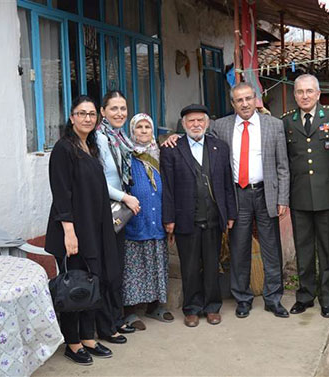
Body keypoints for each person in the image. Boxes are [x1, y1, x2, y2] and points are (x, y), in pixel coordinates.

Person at [163, 83, 290, 319]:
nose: (244, 103)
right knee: (238, 247)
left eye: (248, 98)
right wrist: (174, 136)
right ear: (233, 104)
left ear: (256, 99)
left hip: (266, 193)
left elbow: (283, 165)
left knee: (271, 248)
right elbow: (195, 137)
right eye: (239, 100)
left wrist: (283, 197)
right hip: (237, 193)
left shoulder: (274, 125)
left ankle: (273, 299)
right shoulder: (221, 126)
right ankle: (243, 298)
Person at [45, 96, 120, 365]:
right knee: (73, 286)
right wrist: (69, 232)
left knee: (92, 282)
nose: (87, 118)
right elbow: (61, 194)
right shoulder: (63, 149)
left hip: (94, 228)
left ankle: (89, 337)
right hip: (74, 230)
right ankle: (73, 343)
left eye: (91, 114)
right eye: (81, 113)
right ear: (72, 117)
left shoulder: (89, 146)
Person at [160, 104, 236, 327]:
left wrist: (229, 213)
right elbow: (167, 187)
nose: (196, 125)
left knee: (212, 265)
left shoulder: (219, 147)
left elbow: (226, 183)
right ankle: (192, 308)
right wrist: (169, 219)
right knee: (190, 267)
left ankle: (213, 307)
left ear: (207, 123)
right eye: (191, 121)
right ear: (183, 125)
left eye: (200, 121)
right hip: (186, 218)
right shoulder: (172, 149)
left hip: (213, 217)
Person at [281, 74, 329, 318]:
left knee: (328, 250)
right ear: (295, 94)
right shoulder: (286, 121)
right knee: (304, 250)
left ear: (318, 94)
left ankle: (326, 298)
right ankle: (305, 296)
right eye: (300, 92)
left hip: (328, 196)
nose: (305, 96)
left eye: (309, 91)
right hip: (299, 197)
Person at [96, 90, 141, 339]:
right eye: (114, 108)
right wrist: (125, 197)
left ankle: (116, 318)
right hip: (106, 210)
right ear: (103, 112)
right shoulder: (100, 138)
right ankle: (107, 326)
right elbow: (99, 181)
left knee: (117, 269)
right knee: (108, 270)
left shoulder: (120, 137)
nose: (120, 113)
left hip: (119, 212)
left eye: (123, 108)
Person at [122, 113, 174, 327]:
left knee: (156, 263)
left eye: (147, 127)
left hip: (157, 217)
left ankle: (155, 306)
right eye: (139, 127)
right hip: (135, 218)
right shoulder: (126, 155)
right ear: (132, 131)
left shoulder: (160, 154)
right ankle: (131, 310)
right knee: (133, 266)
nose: (143, 131)